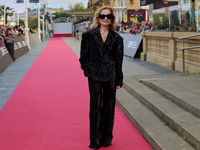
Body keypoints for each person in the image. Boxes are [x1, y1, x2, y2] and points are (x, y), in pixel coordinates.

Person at [79, 6, 123, 150]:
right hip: (95, 75)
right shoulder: (89, 35)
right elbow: (83, 57)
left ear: (112, 19)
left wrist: (119, 79)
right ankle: (95, 140)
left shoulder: (117, 38)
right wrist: (88, 71)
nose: (105, 19)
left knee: (109, 108)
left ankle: (106, 138)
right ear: (98, 18)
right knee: (95, 107)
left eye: (108, 16)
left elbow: (119, 60)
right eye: (102, 16)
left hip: (110, 75)